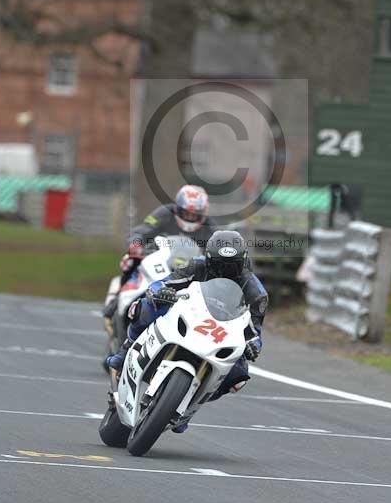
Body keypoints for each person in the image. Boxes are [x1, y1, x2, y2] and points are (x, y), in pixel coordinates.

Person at [108, 230, 268, 431]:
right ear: (209, 259)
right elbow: (163, 282)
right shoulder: (196, 265)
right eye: (219, 264)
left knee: (239, 374)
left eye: (232, 265)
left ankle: (189, 406)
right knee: (145, 306)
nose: (225, 270)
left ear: (243, 262)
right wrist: (160, 292)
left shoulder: (256, 292)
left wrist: (254, 345)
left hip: (221, 330)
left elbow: (255, 330)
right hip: (189, 313)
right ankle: (126, 350)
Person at [103, 185, 216, 323]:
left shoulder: (209, 227)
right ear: (177, 209)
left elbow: (215, 247)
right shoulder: (164, 213)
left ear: (203, 213)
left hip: (189, 266)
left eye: (195, 214)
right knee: (130, 261)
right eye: (186, 213)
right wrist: (136, 243)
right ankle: (115, 302)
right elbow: (143, 229)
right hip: (157, 255)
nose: (190, 217)